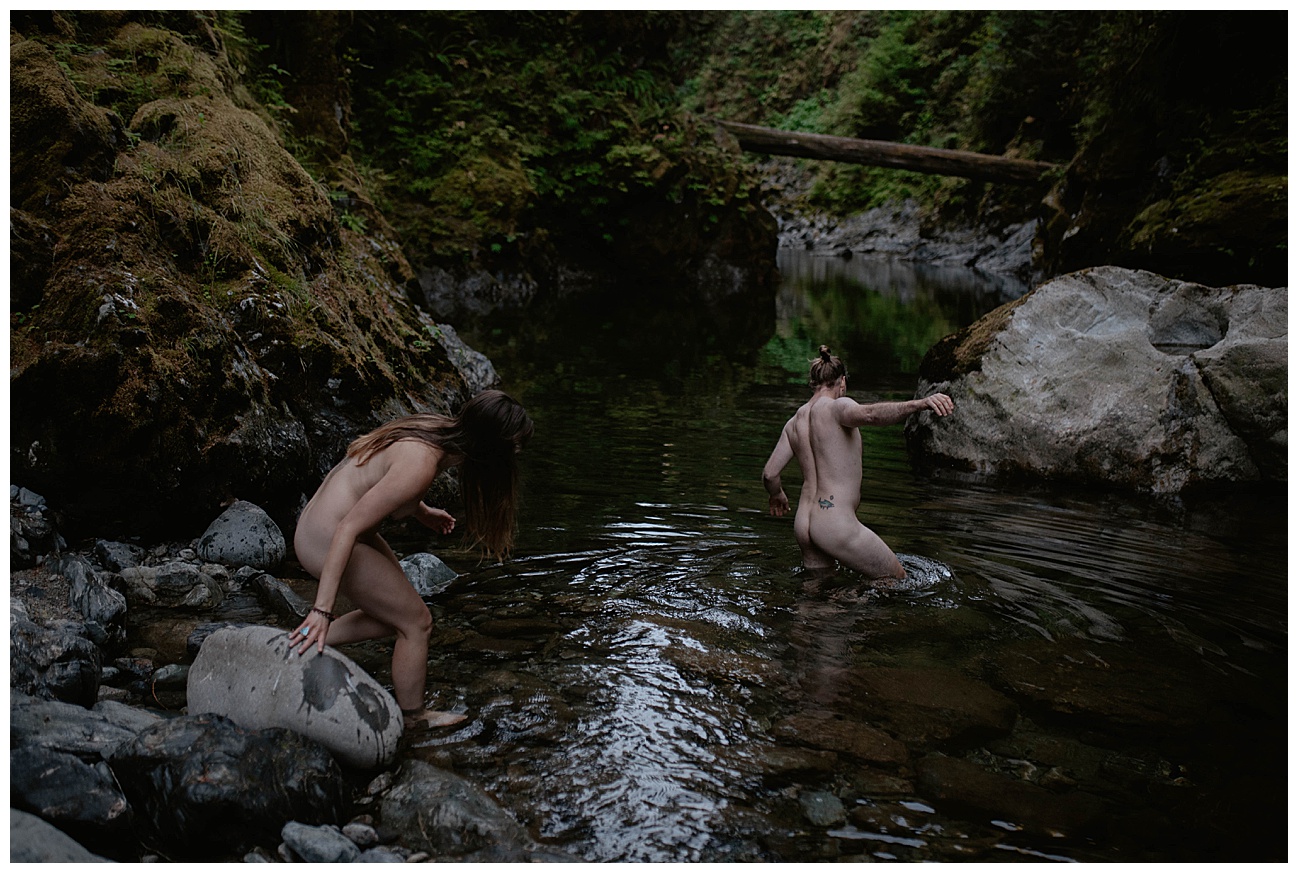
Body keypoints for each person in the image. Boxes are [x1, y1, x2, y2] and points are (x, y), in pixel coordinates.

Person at [291, 389, 533, 731]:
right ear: (490, 447)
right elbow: (347, 528)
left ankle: (301, 642)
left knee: (396, 616)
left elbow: (382, 482)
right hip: (328, 537)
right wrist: (321, 609)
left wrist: (421, 511)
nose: (516, 456)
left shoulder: (436, 429)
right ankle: (414, 718)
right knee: (417, 623)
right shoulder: (421, 465)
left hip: (323, 526)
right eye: (514, 450)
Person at [762, 346, 953, 581]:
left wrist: (777, 494)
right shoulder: (836, 407)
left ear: (813, 383)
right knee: (895, 579)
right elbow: (871, 414)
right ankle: (856, 602)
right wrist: (919, 404)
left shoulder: (794, 422)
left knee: (816, 595)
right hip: (834, 523)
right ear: (842, 382)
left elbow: (770, 474)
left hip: (803, 523)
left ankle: (816, 613)